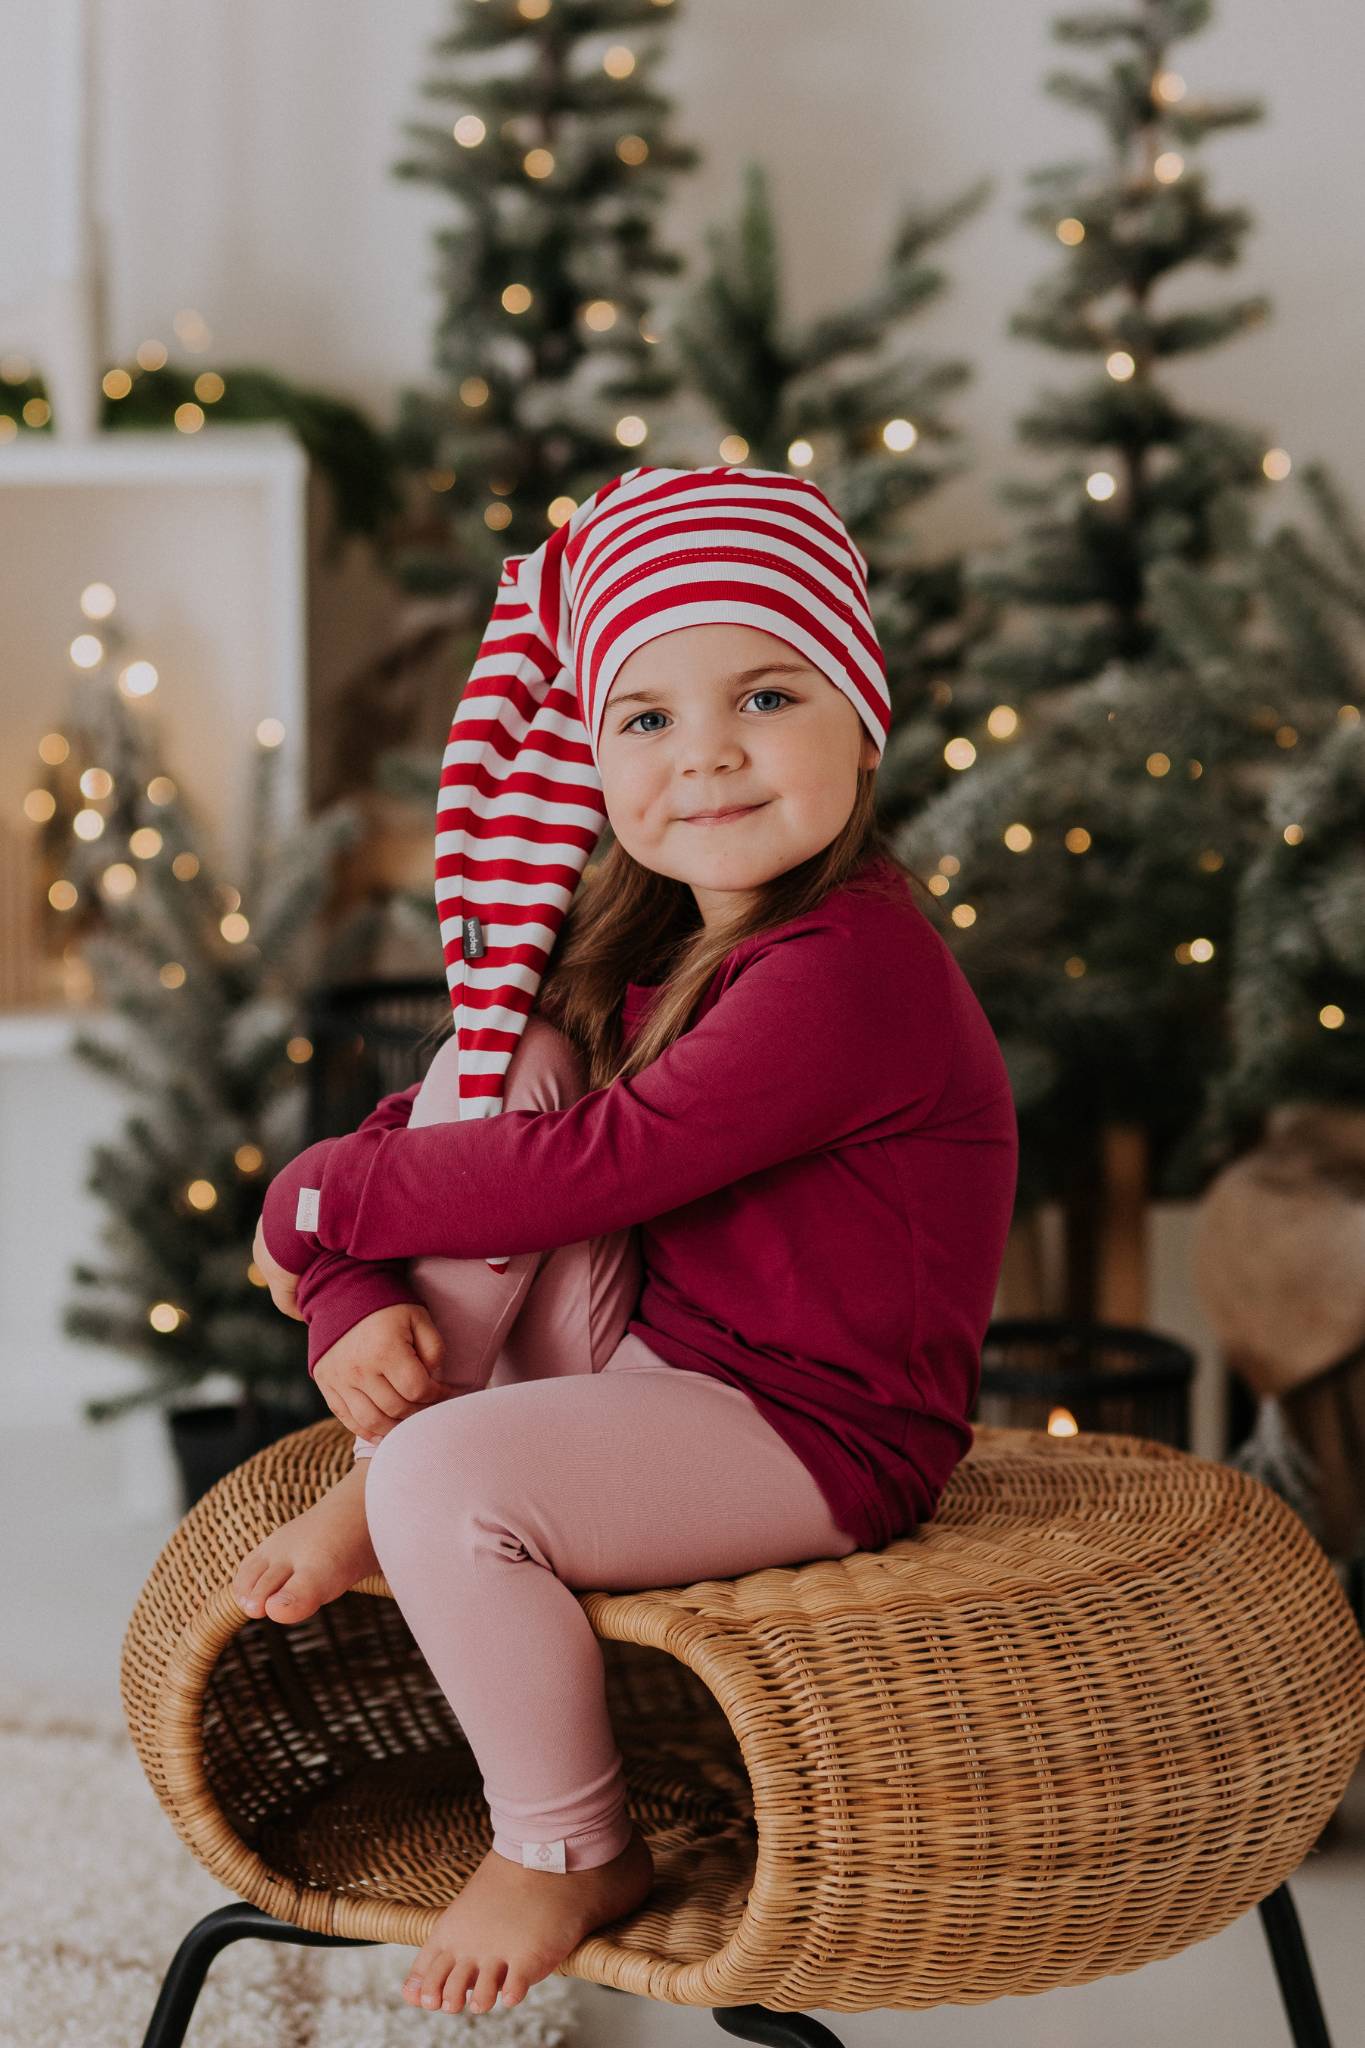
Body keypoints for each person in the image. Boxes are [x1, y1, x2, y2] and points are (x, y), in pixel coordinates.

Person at [234, 462, 1019, 2017]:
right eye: (643, 718)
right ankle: (389, 1461)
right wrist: (341, 1281)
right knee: (506, 1064)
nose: (706, 755)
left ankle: (569, 1838)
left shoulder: (848, 966)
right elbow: (491, 1131)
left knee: (462, 1465)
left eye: (766, 694)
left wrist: (317, 1202)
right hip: (662, 1353)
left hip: (820, 1427)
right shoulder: (679, 936)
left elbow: (598, 1172)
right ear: (593, 755)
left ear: (859, 716)